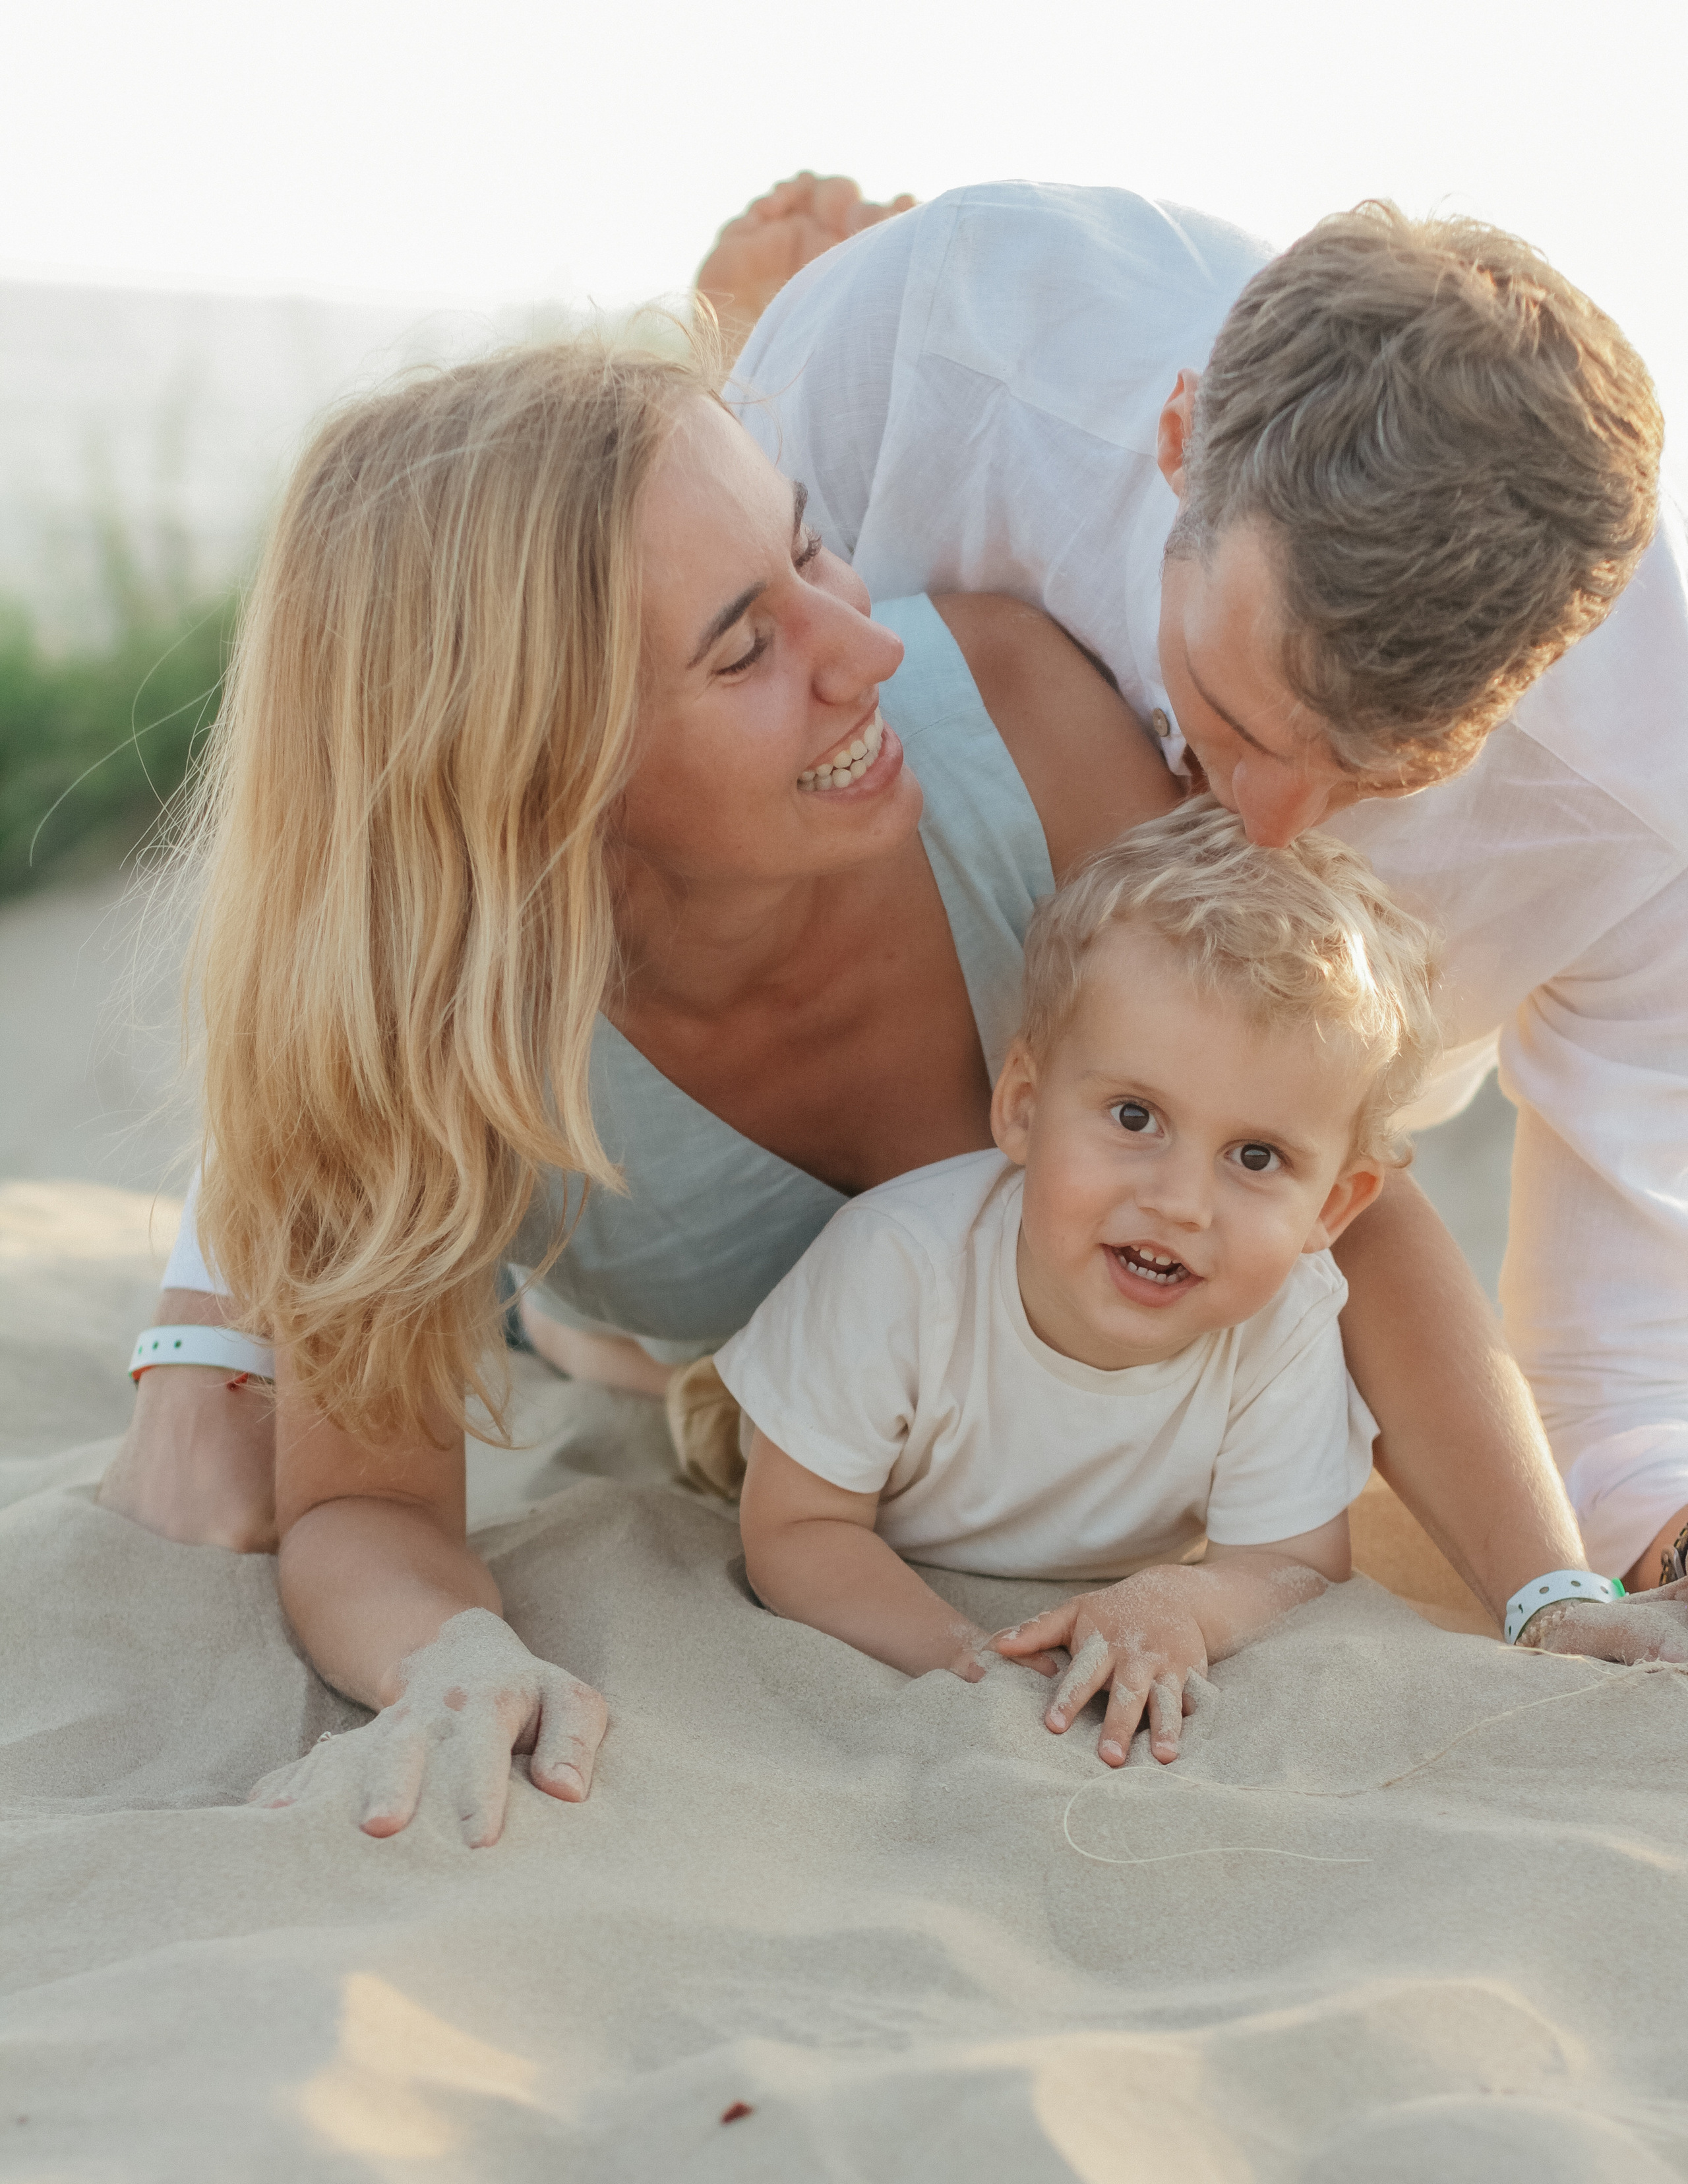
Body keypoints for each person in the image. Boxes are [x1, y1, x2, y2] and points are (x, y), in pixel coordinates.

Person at [97, 328, 1686, 1851]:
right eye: (746, 645)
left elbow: (1350, 1215)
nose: (862, 645)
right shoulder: (429, 1048)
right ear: (539, 766)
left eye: (810, 550)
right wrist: (446, 1651)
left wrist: (1548, 1594)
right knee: (608, 1346)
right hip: (716, 1360)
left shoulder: (1013, 715)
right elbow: (364, 1514)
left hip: (960, 1361)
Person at [705, 174, 1688, 1595]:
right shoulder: (940, 341)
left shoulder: (1641, 800)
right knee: (654, 1317)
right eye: (1228, 718)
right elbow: (612, 718)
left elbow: (1614, 1353)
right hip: (865, 948)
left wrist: (1650, 1550)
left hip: (1243, 1182)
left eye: (1377, 778)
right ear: (1175, 444)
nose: (1273, 830)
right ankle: (723, 352)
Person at [723, 801, 1441, 1765]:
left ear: (1334, 1209)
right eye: (1136, 1117)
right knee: (688, 1411)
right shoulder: (897, 1264)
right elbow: (797, 1527)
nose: (1182, 1203)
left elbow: (1293, 1566)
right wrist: (963, 1654)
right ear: (1023, 1107)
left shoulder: (1287, 1322)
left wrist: (1184, 1598)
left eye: (1258, 1157)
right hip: (831, 1468)